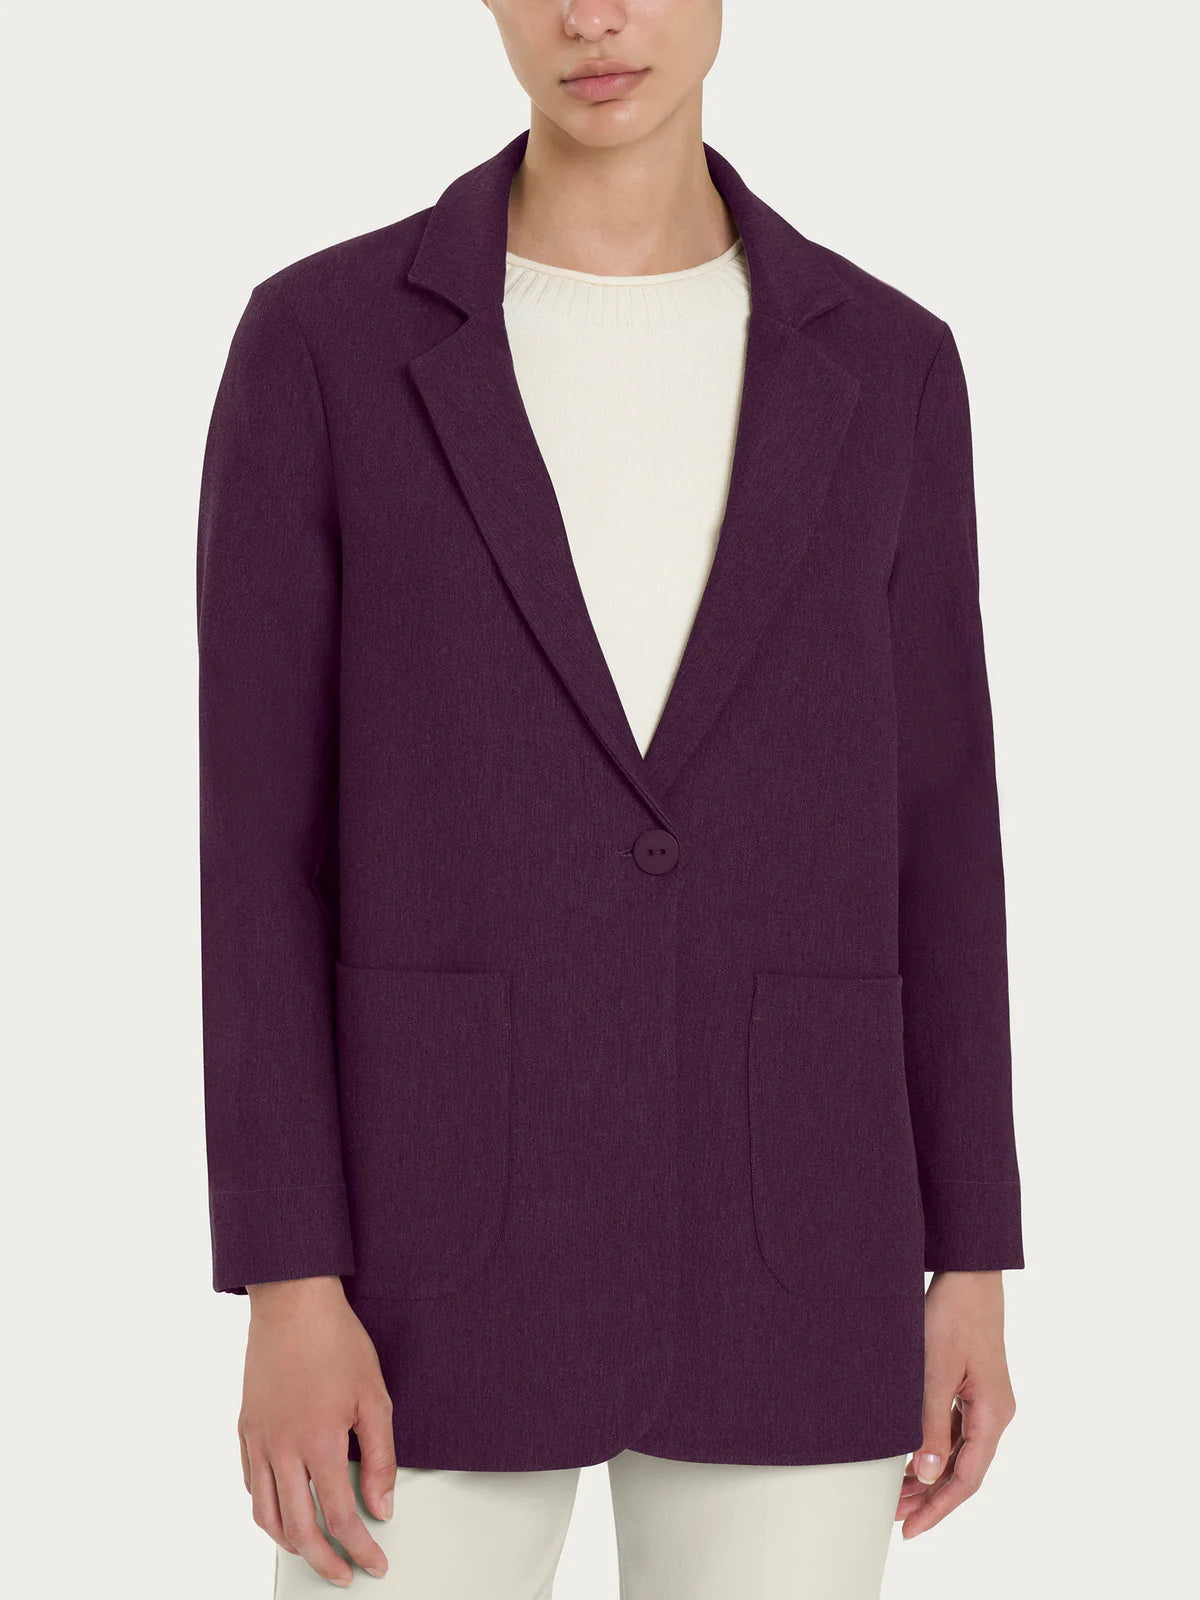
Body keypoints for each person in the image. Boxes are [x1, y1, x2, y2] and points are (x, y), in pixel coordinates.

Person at [196, 3, 1023, 1595]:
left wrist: (971, 1253)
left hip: (804, 1230)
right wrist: (288, 1277)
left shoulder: (892, 363)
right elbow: (258, 854)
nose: (592, 15)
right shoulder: (322, 343)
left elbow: (943, 834)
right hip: (425, 1252)